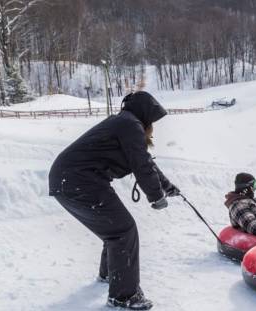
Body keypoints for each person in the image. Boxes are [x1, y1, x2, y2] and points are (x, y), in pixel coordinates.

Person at [48, 91, 178, 310]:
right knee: (123, 231)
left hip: (70, 179)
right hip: (79, 180)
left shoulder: (124, 122)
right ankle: (124, 296)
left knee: (115, 231)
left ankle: (111, 275)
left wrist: (168, 187)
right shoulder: (130, 124)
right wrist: (155, 196)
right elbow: (141, 164)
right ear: (144, 113)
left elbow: (146, 162)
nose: (153, 125)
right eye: (152, 119)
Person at [225, 173, 256, 240]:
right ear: (246, 187)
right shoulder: (238, 205)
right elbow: (252, 226)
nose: (255, 188)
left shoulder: (253, 199)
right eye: (254, 185)